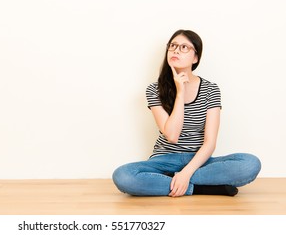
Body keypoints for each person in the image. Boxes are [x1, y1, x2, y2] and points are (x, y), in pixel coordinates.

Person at [112, 29, 261, 197]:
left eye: (184, 47)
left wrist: (186, 173)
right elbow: (172, 135)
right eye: (173, 46)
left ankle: (170, 182)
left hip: (198, 160)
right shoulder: (154, 90)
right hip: (164, 161)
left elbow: (210, 143)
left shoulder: (211, 89)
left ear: (195, 57)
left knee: (249, 164)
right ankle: (200, 188)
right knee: (123, 176)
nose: (176, 50)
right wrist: (180, 92)